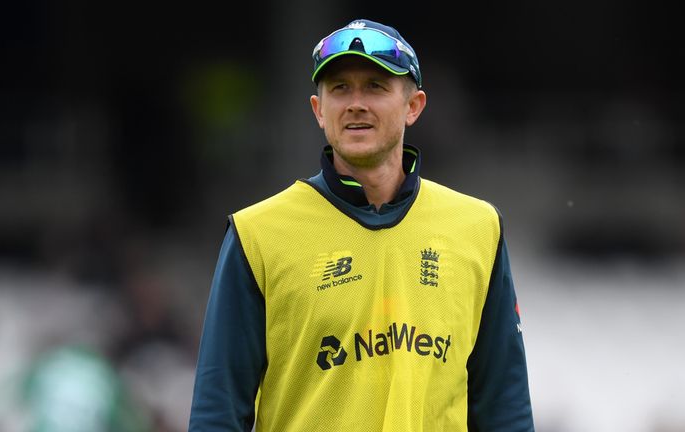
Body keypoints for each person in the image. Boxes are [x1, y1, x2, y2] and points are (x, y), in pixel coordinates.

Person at [188, 18, 534, 432]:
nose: (355, 103)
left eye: (375, 86)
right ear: (318, 110)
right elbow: (217, 413)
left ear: (414, 106)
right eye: (340, 88)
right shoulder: (257, 234)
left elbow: (504, 408)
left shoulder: (477, 228)